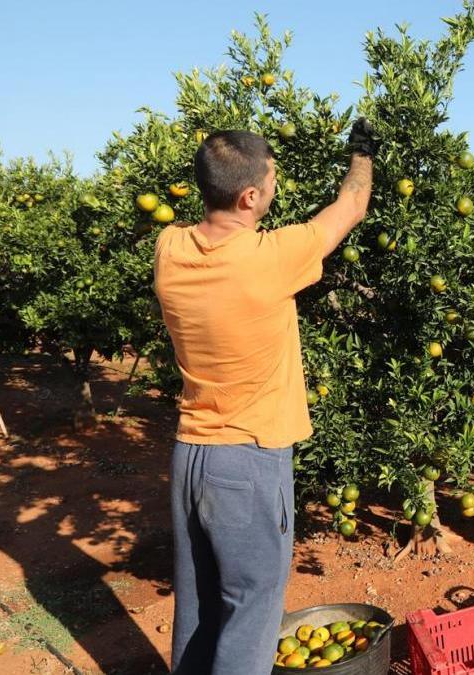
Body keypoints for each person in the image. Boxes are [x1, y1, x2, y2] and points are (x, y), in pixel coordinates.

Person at [153, 120, 377, 674]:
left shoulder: (170, 247)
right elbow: (352, 204)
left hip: (191, 455)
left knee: (200, 609)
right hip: (247, 461)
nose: (276, 189)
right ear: (250, 196)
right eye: (271, 181)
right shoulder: (269, 259)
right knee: (252, 612)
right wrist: (362, 152)